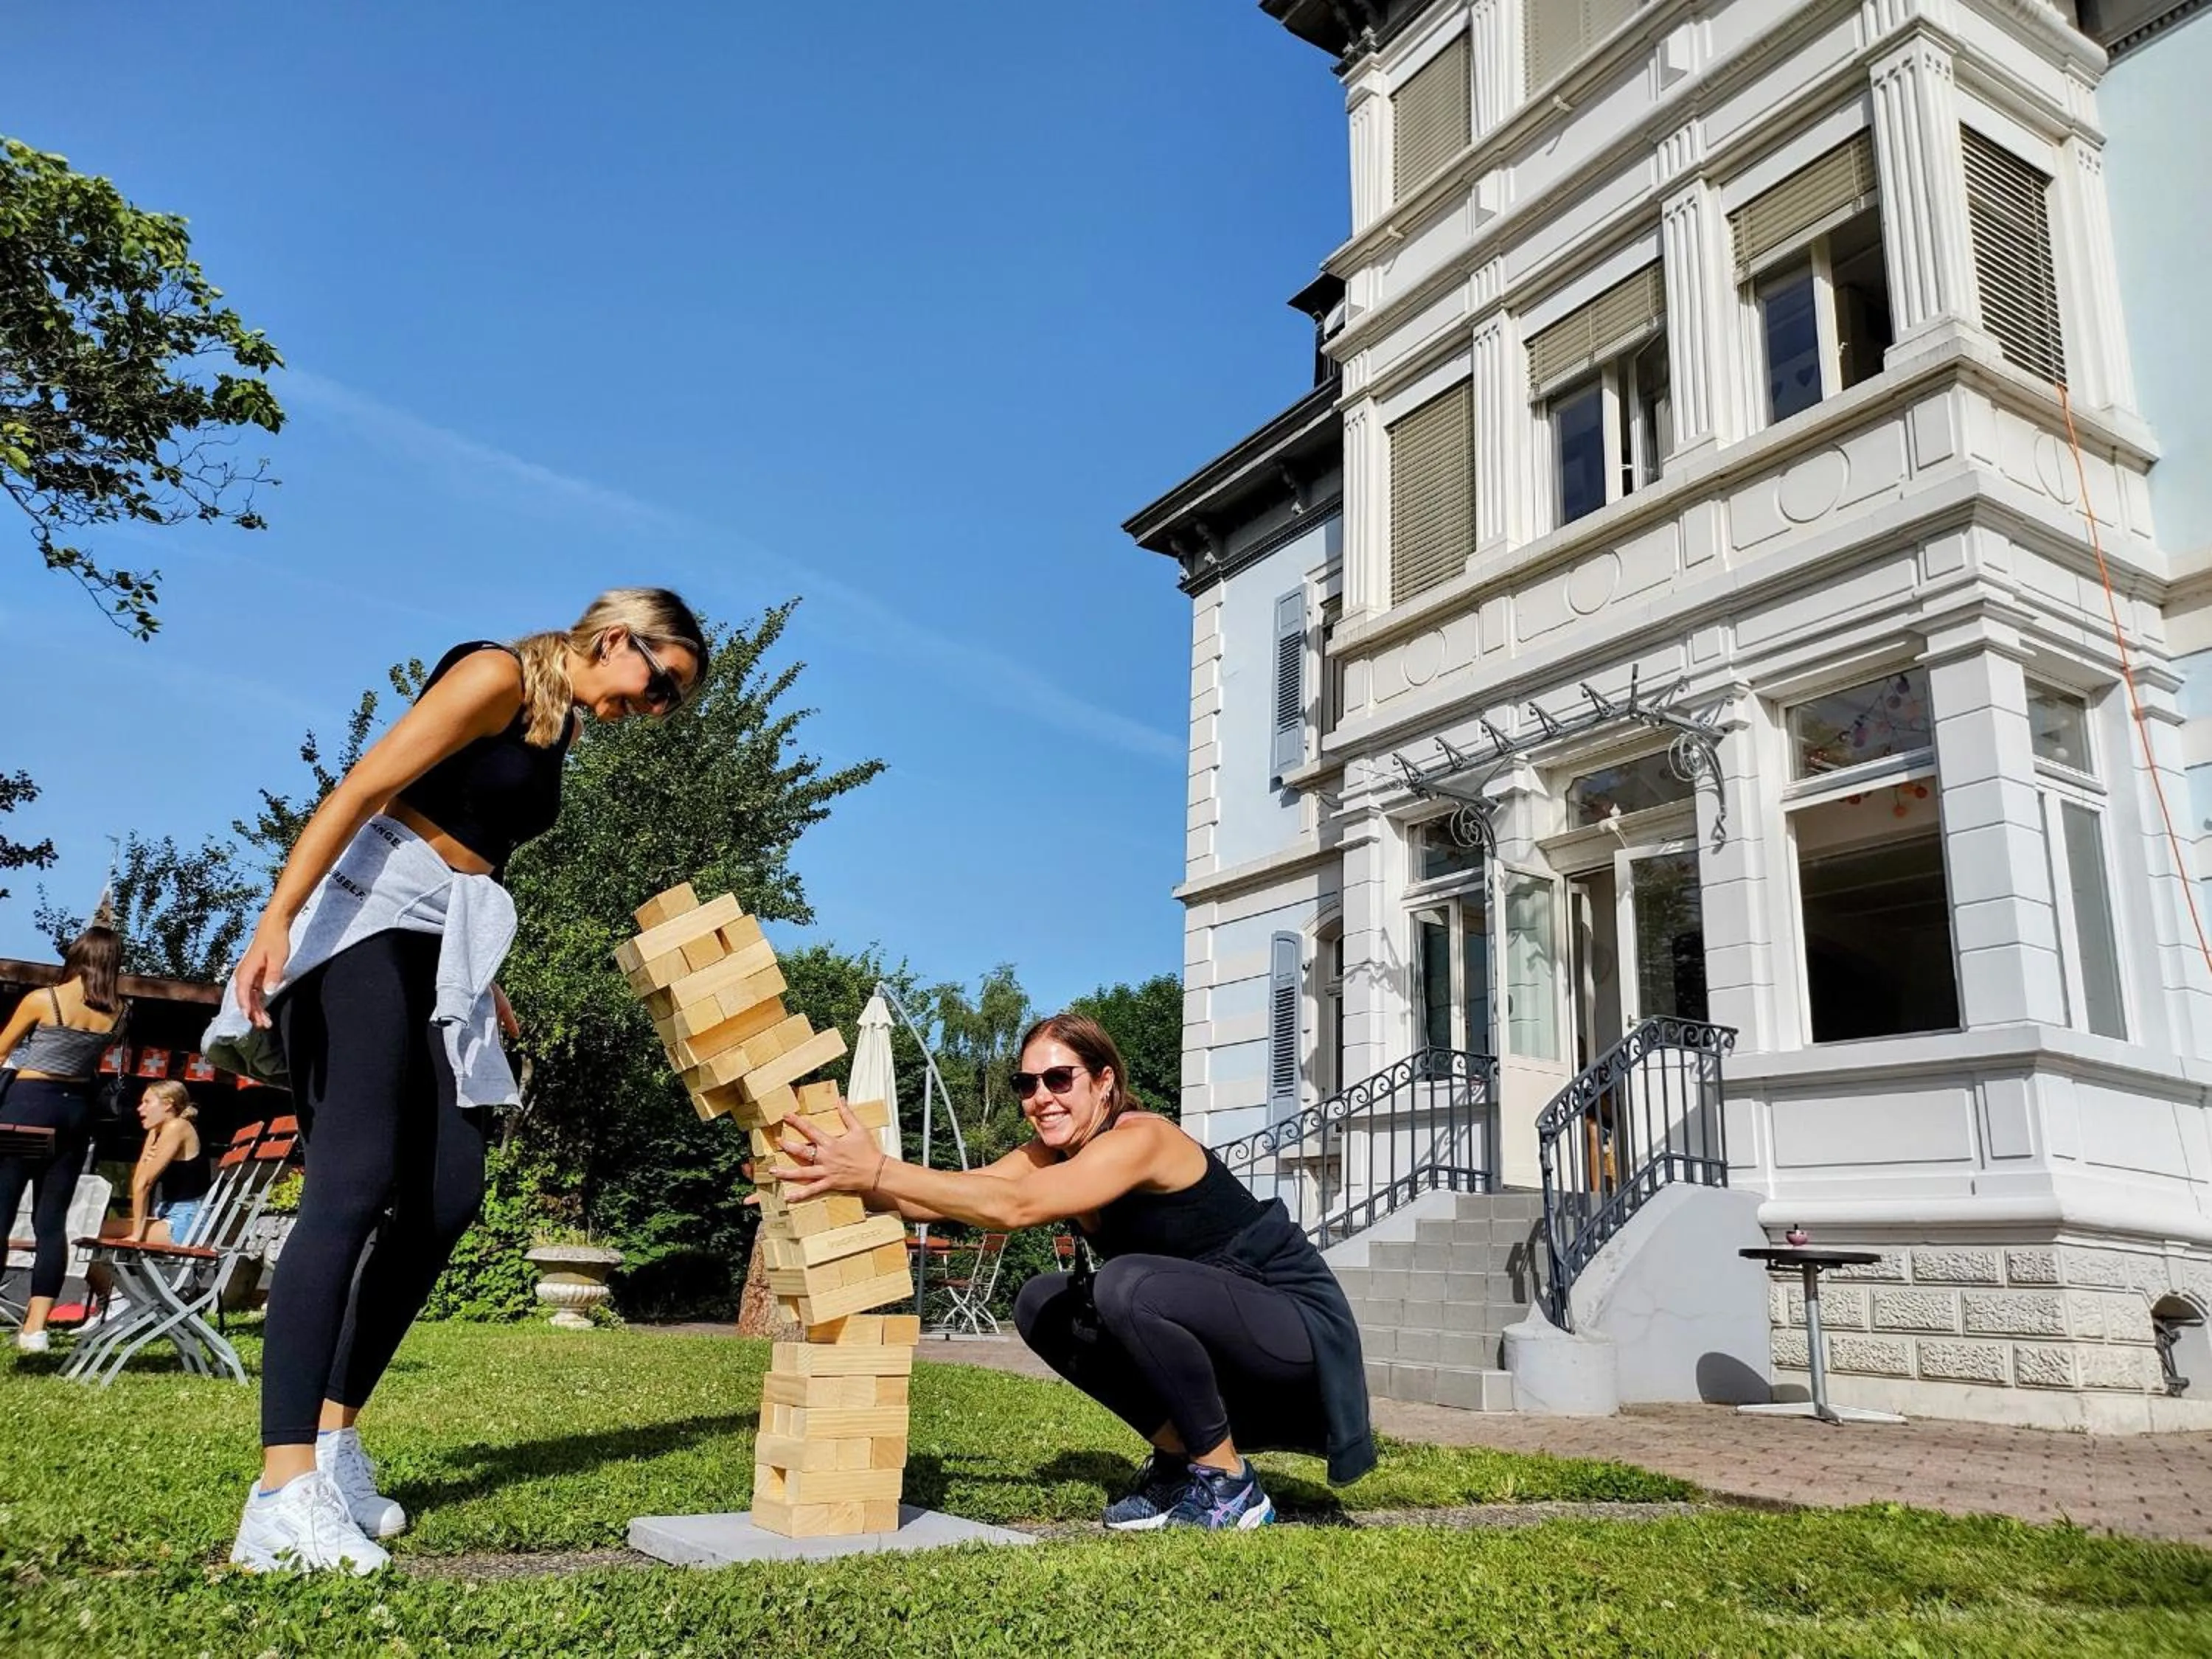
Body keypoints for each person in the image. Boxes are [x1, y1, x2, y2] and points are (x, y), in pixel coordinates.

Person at [203, 588, 706, 1575]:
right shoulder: (495, 675)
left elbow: (462, 846)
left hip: (435, 946)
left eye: (671, 705)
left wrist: (486, 979)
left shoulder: (552, 724)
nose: (655, 712)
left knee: (447, 1194)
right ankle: (279, 1490)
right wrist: (276, 919)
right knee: (353, 1181)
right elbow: (362, 793)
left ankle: (336, 1442)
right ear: (617, 638)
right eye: (661, 685)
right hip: (364, 925)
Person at [775, 1011, 1376, 1532]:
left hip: (1295, 1336)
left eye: (1060, 1078)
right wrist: (817, 1177)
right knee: (1043, 1301)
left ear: (1104, 1081)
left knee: (1127, 1283)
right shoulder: (1052, 1153)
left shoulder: (1141, 1139)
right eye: (1026, 1083)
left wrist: (876, 1168)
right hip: (1214, 1336)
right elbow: (951, 1196)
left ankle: (1229, 1486)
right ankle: (1180, 1463)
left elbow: (1014, 1207)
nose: (1042, 1097)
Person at [0, 925, 128, 1354]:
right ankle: (36, 1329)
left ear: (77, 955)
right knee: (50, 1221)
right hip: (74, 1117)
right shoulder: (120, 1014)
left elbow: (2, 1050)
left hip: (29, 1110)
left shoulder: (44, 1000)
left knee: (2, 1209)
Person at [127, 1079, 208, 1245]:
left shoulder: (177, 1127)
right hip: (167, 1212)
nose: (140, 1108)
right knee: (84, 1229)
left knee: (89, 1232)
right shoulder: (156, 1132)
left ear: (167, 1105)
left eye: (147, 1102)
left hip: (185, 1221)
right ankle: (112, 1273)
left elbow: (144, 1184)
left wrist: (137, 1235)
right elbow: (139, 1181)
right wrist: (145, 1161)